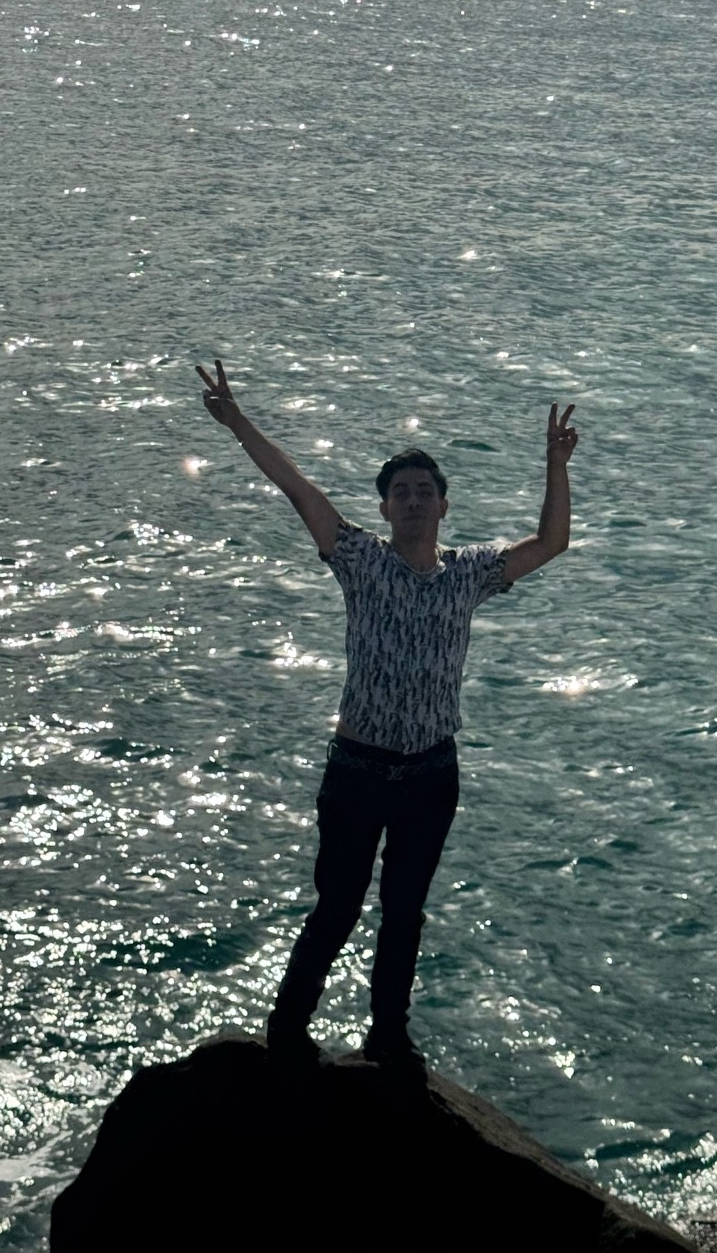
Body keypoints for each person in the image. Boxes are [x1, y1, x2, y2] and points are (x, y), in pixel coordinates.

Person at [196, 357, 578, 1072]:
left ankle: (388, 1038)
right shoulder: (359, 560)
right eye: (400, 492)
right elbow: (296, 486)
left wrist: (555, 464)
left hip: (431, 775)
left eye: (424, 492)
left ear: (444, 507)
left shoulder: (469, 574)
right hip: (358, 769)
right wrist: (237, 420)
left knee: (404, 914)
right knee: (337, 908)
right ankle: (288, 1032)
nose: (412, 501)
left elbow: (551, 543)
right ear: (383, 509)